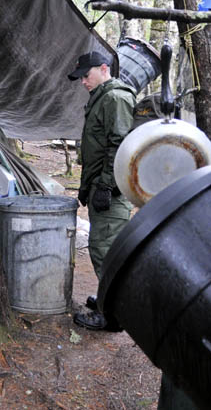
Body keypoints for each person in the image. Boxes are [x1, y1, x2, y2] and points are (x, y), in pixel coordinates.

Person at [67, 51, 136, 331]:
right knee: (104, 247)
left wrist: (107, 185)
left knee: (104, 249)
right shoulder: (102, 96)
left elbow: (119, 145)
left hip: (111, 188)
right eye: (81, 77)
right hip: (101, 184)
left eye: (87, 75)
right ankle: (109, 301)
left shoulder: (115, 97)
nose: (83, 81)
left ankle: (115, 315)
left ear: (103, 69)